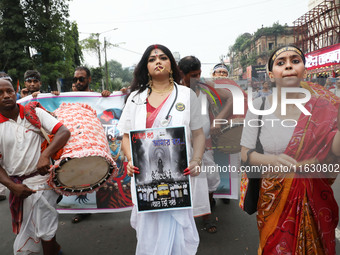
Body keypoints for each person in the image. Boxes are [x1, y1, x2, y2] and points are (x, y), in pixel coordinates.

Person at [240, 45, 340, 254]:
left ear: (304, 69)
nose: (288, 66)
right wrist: (273, 162)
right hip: (273, 195)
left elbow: (335, 152)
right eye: (281, 62)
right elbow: (246, 153)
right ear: (271, 73)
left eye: (295, 61)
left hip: (315, 194)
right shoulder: (258, 107)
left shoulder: (326, 107)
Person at [118, 44, 205, 254]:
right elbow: (126, 136)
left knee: (179, 239)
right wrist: (131, 160)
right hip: (145, 180)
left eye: (163, 57)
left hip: (178, 178)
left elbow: (198, 134)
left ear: (171, 65)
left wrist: (196, 161)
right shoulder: (135, 98)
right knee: (149, 237)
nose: (158, 61)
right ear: (145, 67)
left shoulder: (185, 95)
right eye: (151, 59)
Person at [0, 78, 70, 254]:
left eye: (9, 91)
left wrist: (45, 155)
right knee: (31, 231)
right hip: (18, 186)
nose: (6, 95)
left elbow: (63, 132)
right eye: (0, 93)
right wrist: (11, 186)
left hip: (43, 182)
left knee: (46, 229)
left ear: (14, 92)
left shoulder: (33, 112)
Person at [178, 55, 220, 233]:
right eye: (193, 75)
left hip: (204, 143)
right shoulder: (175, 92)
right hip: (181, 145)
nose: (197, 78)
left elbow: (227, 100)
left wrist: (218, 121)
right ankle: (204, 219)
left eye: (199, 73)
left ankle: (208, 205)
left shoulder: (205, 90)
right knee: (190, 182)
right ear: (182, 73)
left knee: (211, 178)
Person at [70, 66, 111, 223]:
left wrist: (110, 96)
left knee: (97, 172)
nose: (78, 82)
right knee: (80, 173)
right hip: (77, 143)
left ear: (89, 80)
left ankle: (104, 203)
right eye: (75, 79)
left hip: (93, 141)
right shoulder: (68, 99)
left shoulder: (97, 97)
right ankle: (83, 209)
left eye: (81, 79)